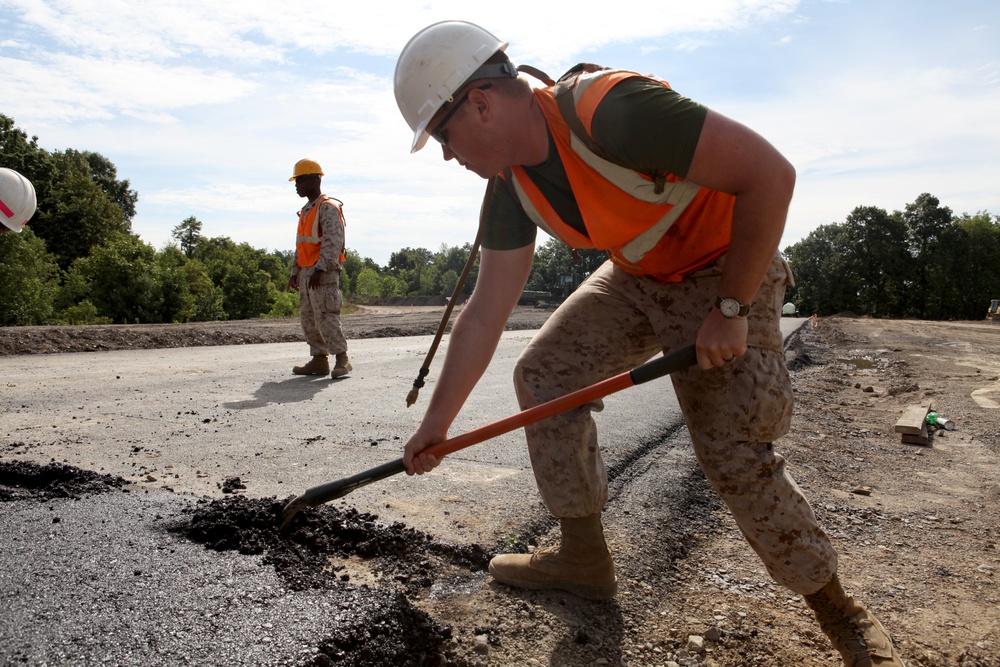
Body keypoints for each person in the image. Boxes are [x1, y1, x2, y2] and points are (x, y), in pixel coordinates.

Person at [392, 21, 905, 667]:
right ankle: (583, 559)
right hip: (639, 273)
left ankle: (843, 615)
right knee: (546, 375)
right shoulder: (511, 184)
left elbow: (770, 174)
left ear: (481, 104)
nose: (445, 154)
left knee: (732, 450)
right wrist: (436, 425)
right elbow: (486, 308)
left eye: (441, 134)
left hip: (726, 269)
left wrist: (730, 307)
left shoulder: (611, 110)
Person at [286, 158, 352, 379]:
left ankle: (342, 359)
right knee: (309, 318)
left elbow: (333, 240)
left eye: (301, 180)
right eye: (296, 181)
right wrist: (295, 272)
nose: (297, 185)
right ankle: (319, 359)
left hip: (322, 273)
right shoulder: (306, 211)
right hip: (307, 273)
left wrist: (320, 268)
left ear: (315, 180)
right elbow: (301, 245)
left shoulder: (327, 207)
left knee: (326, 315)